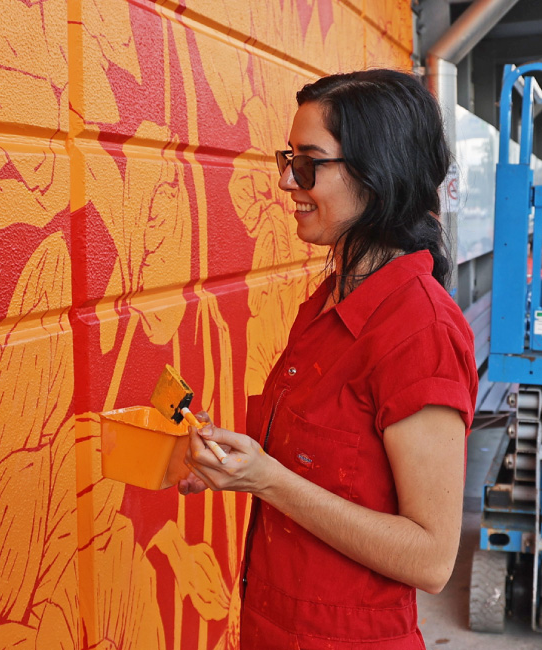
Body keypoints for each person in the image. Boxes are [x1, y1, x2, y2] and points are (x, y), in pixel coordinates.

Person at [176, 69, 477, 649]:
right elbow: (319, 468)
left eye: (310, 163)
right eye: (287, 158)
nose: (288, 181)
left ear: (376, 173)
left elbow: (431, 558)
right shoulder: (330, 301)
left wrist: (267, 480)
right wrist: (232, 463)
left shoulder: (420, 331)